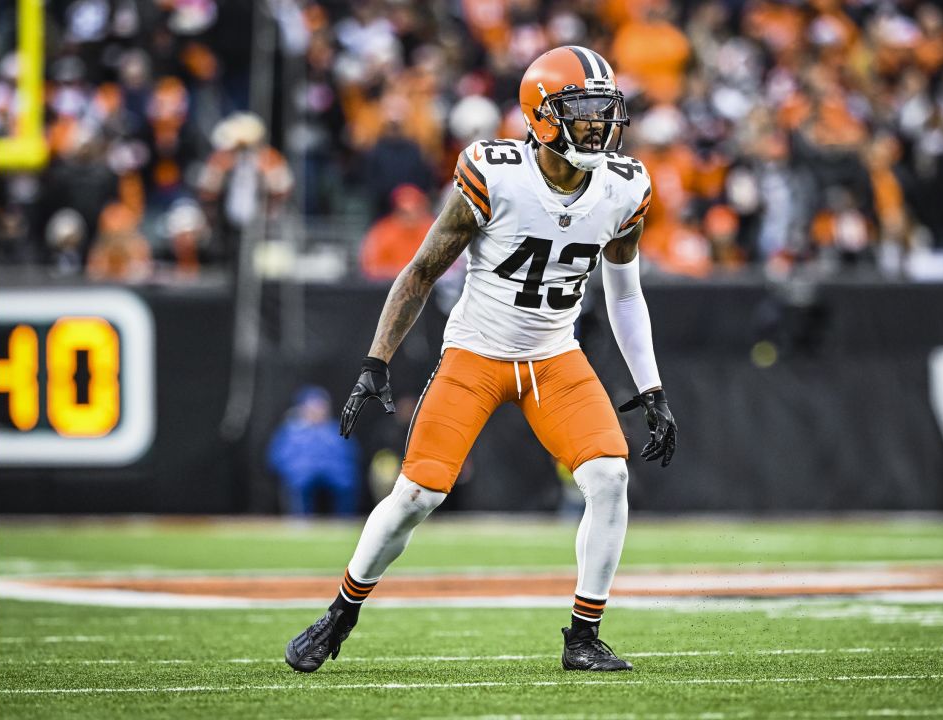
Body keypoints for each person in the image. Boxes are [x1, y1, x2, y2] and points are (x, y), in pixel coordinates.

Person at [285, 46, 678, 674]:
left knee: (610, 476)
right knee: (416, 496)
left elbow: (624, 291)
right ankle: (340, 612)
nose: (598, 126)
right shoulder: (495, 173)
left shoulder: (623, 187)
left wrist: (651, 386)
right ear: (542, 116)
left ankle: (583, 635)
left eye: (605, 111)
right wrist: (375, 361)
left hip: (555, 356)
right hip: (475, 354)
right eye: (582, 112)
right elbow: (420, 272)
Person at [266, 387, 361, 517]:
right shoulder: (291, 431)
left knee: (346, 481)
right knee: (299, 483)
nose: (318, 411)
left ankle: (343, 520)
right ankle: (299, 521)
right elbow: (277, 457)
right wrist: (296, 468)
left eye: (321, 407)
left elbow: (350, 454)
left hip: (333, 472)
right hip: (303, 473)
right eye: (313, 407)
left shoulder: (335, 429)